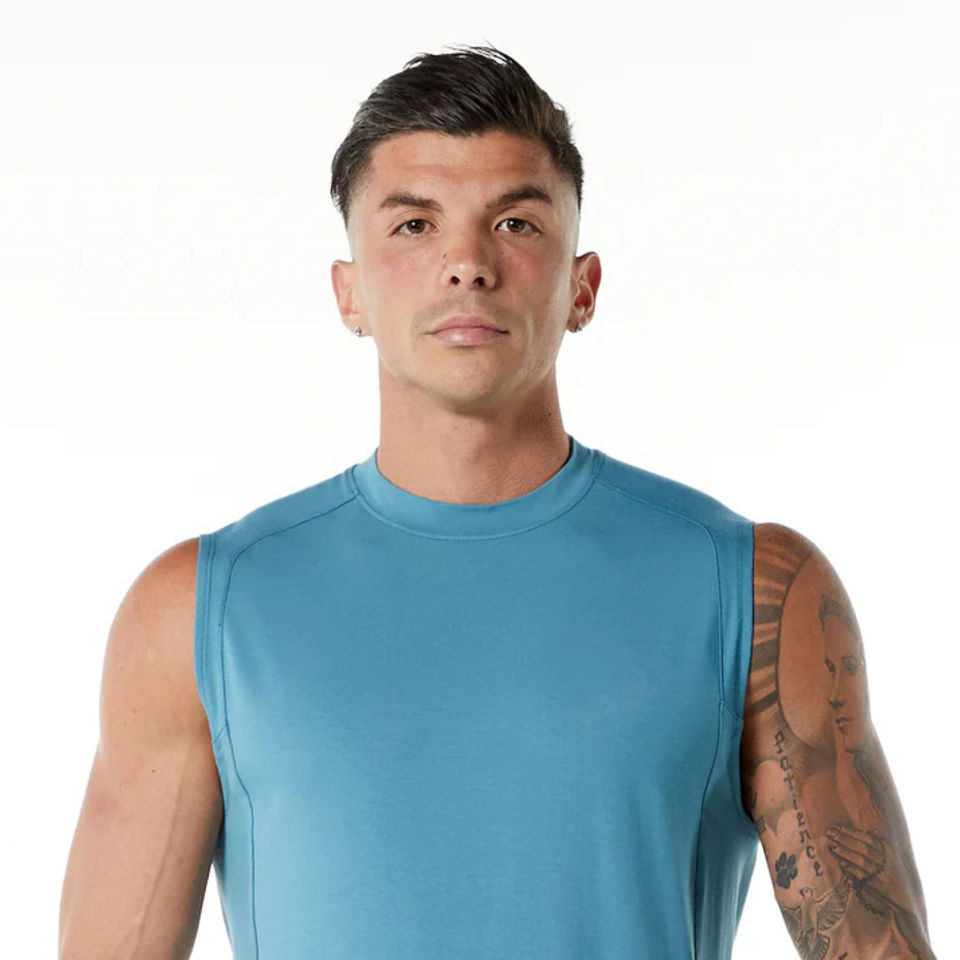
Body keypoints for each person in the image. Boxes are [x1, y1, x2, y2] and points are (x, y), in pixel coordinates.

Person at [58, 44, 938, 960]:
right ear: (349, 294)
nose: (467, 264)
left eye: (515, 223)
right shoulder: (198, 610)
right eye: (414, 225)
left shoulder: (755, 593)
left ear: (582, 288)